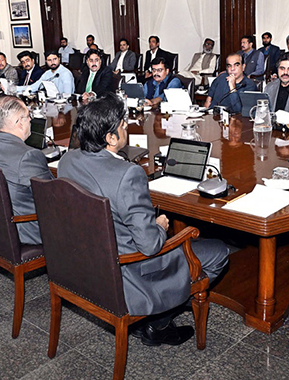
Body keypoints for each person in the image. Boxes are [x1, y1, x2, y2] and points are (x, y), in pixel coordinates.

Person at [58, 95, 229, 346]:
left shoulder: (68, 160)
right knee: (218, 251)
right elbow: (149, 246)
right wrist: (160, 226)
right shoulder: (128, 174)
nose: (127, 126)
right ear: (110, 138)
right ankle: (158, 321)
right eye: (123, 124)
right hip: (128, 271)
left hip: (86, 259)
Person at [0, 96, 50, 245]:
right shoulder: (29, 156)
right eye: (29, 116)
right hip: (25, 231)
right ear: (20, 122)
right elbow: (51, 198)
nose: (30, 120)